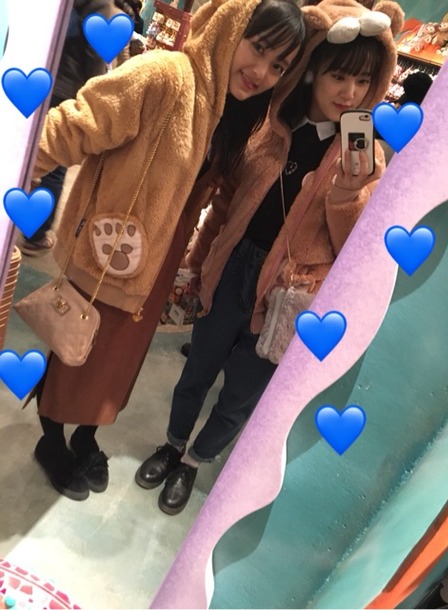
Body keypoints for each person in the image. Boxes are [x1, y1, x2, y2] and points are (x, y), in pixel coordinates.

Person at [28, 0, 307, 501]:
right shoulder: (165, 75)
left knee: (120, 360)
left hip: (160, 254)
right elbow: (76, 124)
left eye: (279, 66)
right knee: (76, 347)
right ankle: (51, 438)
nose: (262, 72)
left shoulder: (234, 114)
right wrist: (17, 172)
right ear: (230, 28)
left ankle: (87, 435)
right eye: (259, 48)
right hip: (110, 246)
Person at [135, 0, 404, 515]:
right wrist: (198, 262)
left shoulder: (365, 154)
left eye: (363, 82)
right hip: (232, 267)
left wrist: (347, 192)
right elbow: (225, 204)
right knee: (197, 370)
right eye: (339, 77)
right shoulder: (268, 127)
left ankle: (192, 462)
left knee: (240, 394)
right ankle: (171, 444)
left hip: (288, 293)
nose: (350, 93)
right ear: (312, 72)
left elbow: (357, 246)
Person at [17, 0, 121, 257]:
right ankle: (35, 235)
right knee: (55, 165)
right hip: (66, 93)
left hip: (37, 84)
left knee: (25, 152)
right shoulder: (103, 10)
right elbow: (95, 67)